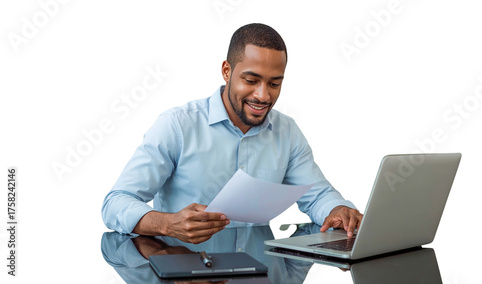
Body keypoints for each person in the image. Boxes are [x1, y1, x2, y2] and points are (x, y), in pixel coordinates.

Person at [101, 23, 363, 245]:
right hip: (185, 272)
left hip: (260, 273)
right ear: (227, 71)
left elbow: (317, 195)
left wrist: (337, 210)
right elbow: (116, 202)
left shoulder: (287, 132)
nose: (263, 95)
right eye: (251, 81)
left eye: (274, 83)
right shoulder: (177, 125)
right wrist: (167, 224)